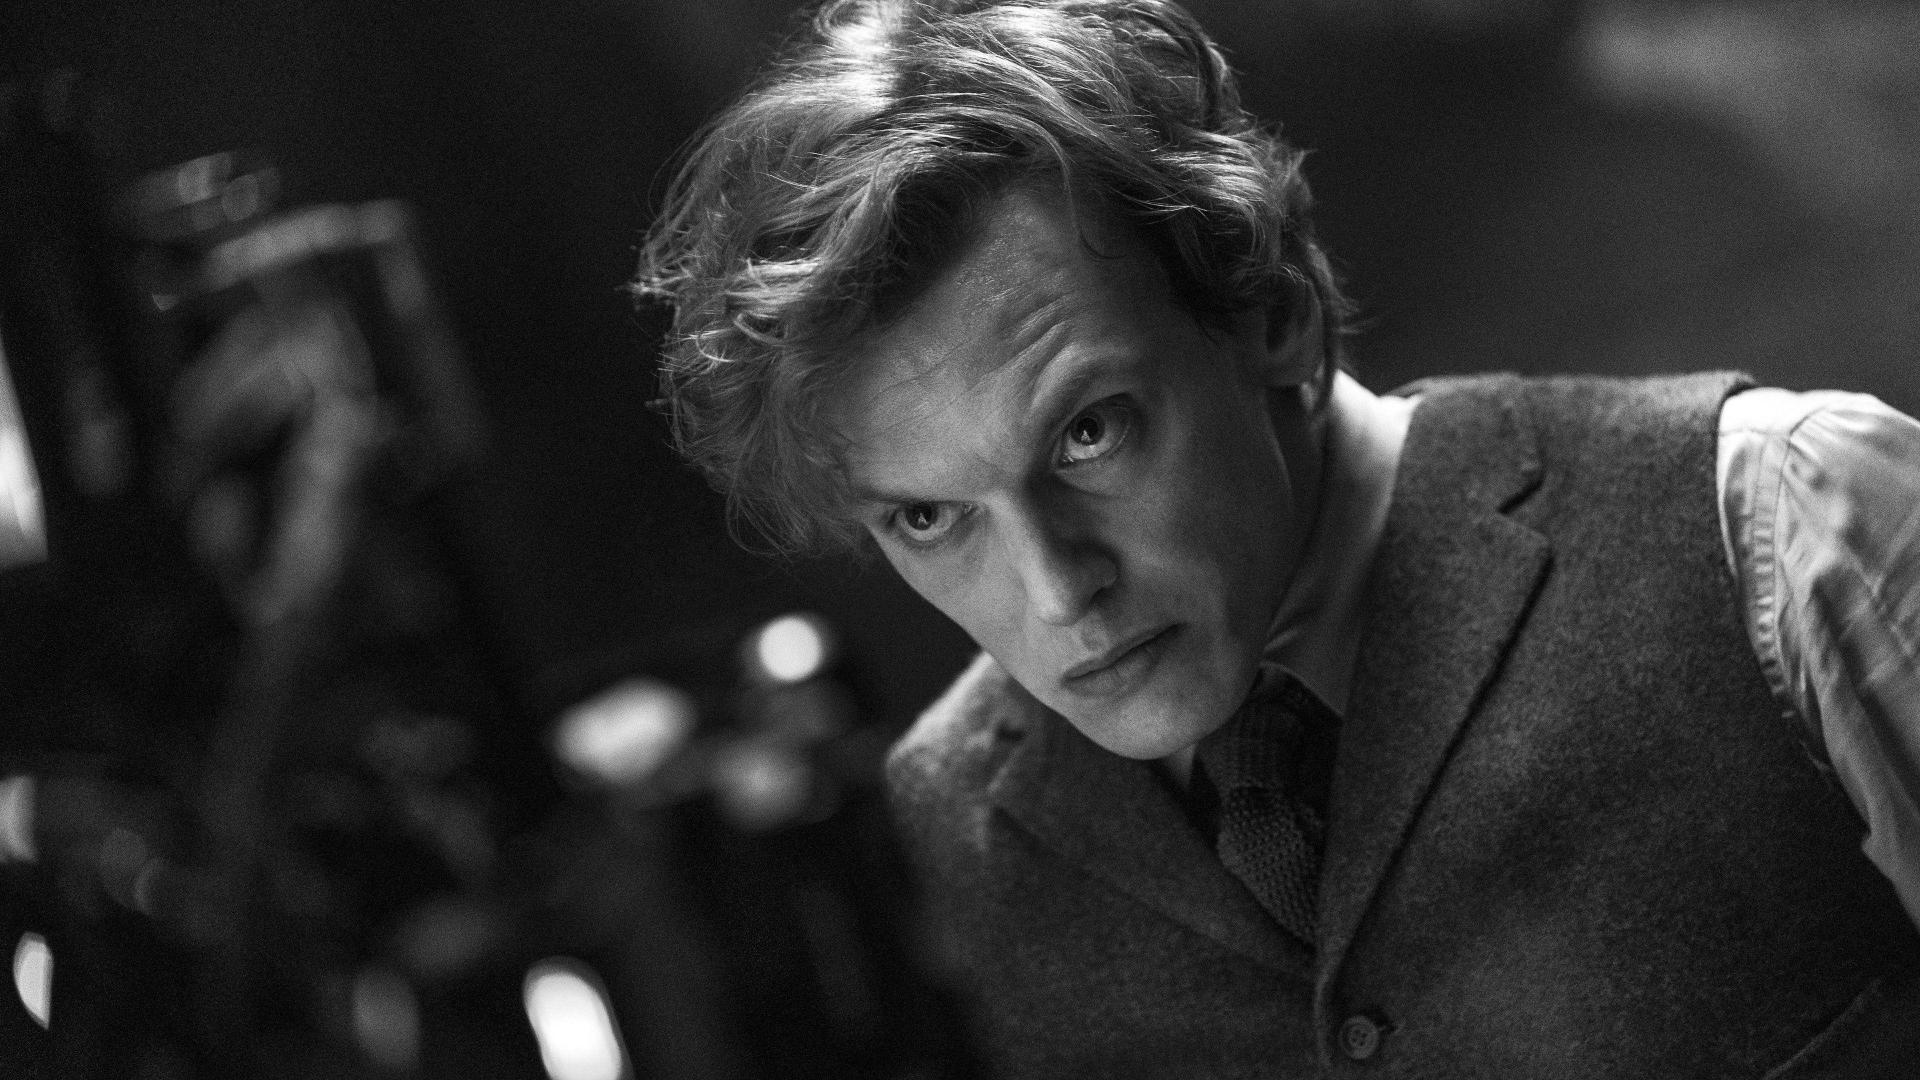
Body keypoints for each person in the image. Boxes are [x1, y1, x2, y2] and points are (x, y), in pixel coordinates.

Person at [634, 1, 1920, 1075]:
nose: (1058, 590)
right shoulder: (942, 837)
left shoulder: (1792, 518)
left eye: (1089, 432)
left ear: (1274, 312)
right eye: (929, 517)